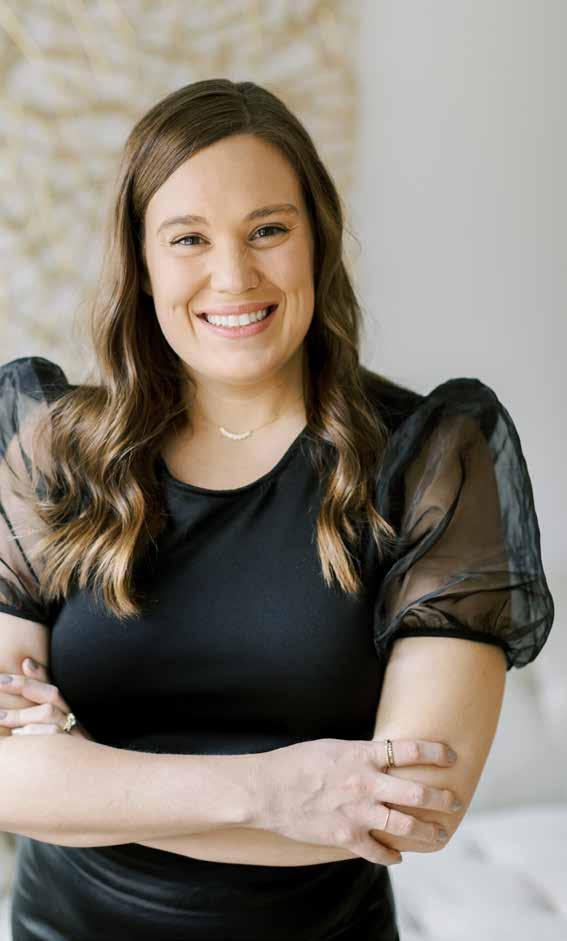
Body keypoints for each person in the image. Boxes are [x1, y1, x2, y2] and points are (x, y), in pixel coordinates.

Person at [0, 79, 554, 940]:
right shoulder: (50, 448)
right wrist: (273, 790)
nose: (233, 276)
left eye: (268, 230)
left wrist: (76, 777)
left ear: (317, 241)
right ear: (141, 264)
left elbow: (414, 809)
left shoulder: (430, 456)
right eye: (188, 238)